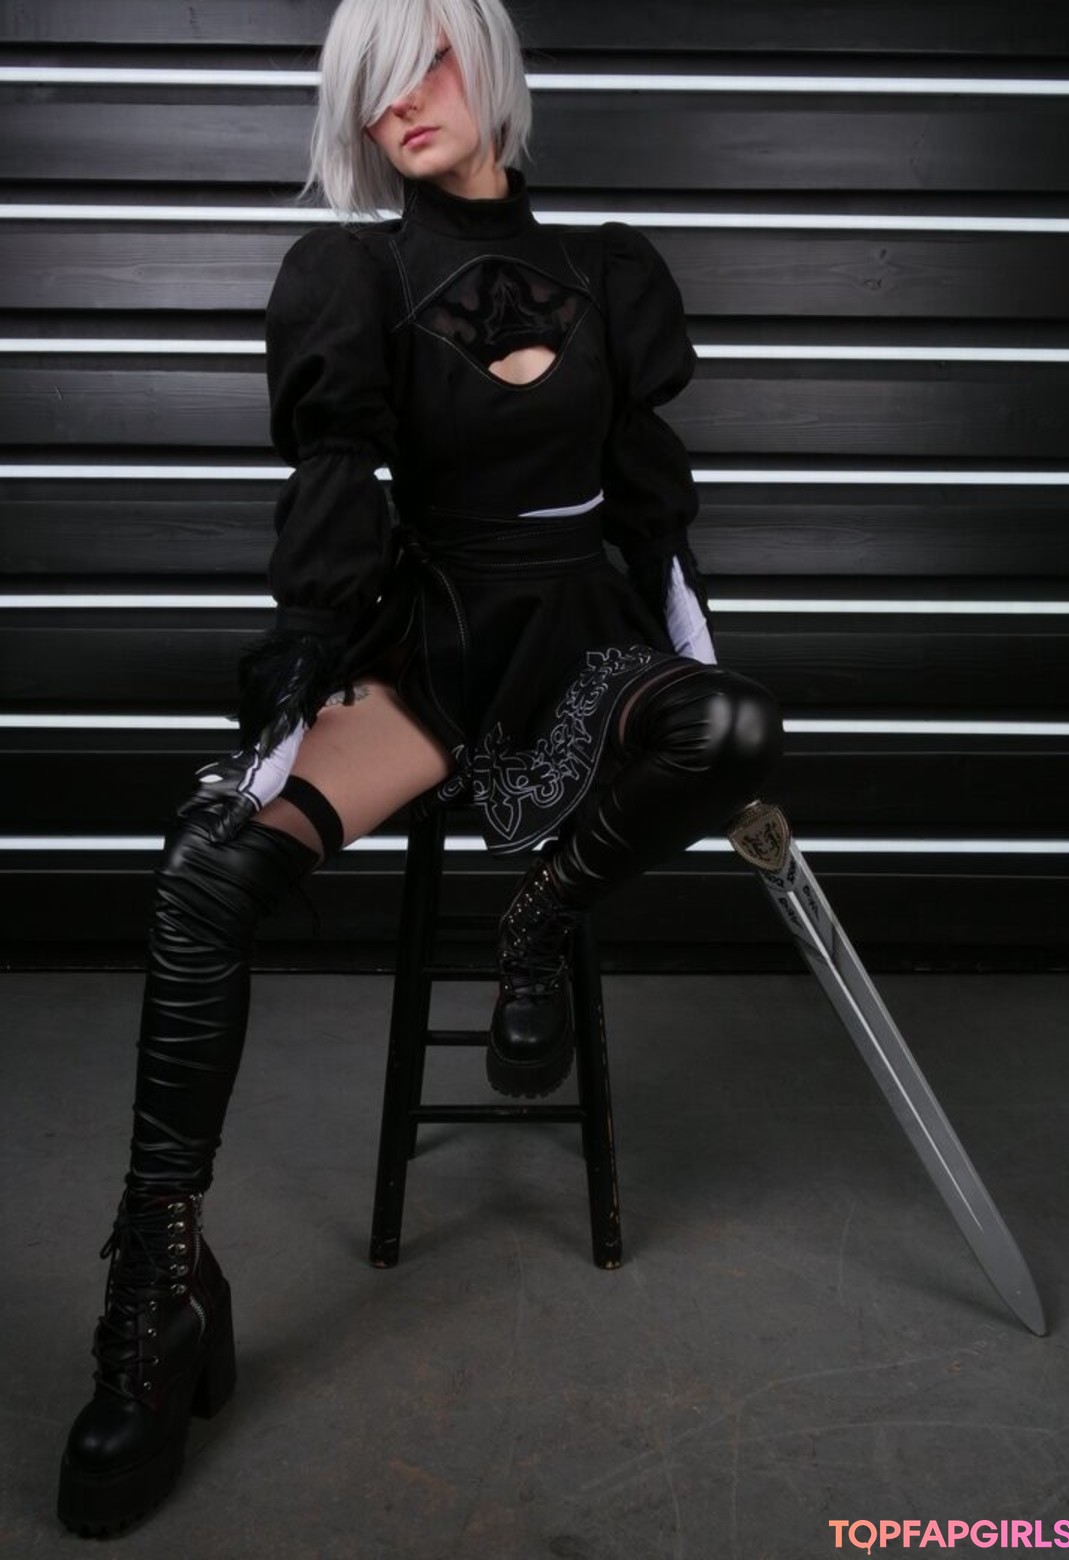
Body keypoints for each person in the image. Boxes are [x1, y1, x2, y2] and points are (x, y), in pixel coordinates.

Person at [56, 0, 784, 1535]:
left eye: (430, 61)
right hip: (437, 647)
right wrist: (294, 682)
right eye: (375, 85)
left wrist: (691, 663)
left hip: (585, 642)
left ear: (489, 62)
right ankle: (160, 1285)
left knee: (731, 729)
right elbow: (338, 489)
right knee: (204, 881)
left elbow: (650, 515)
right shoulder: (356, 275)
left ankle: (538, 920)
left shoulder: (610, 271)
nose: (404, 103)